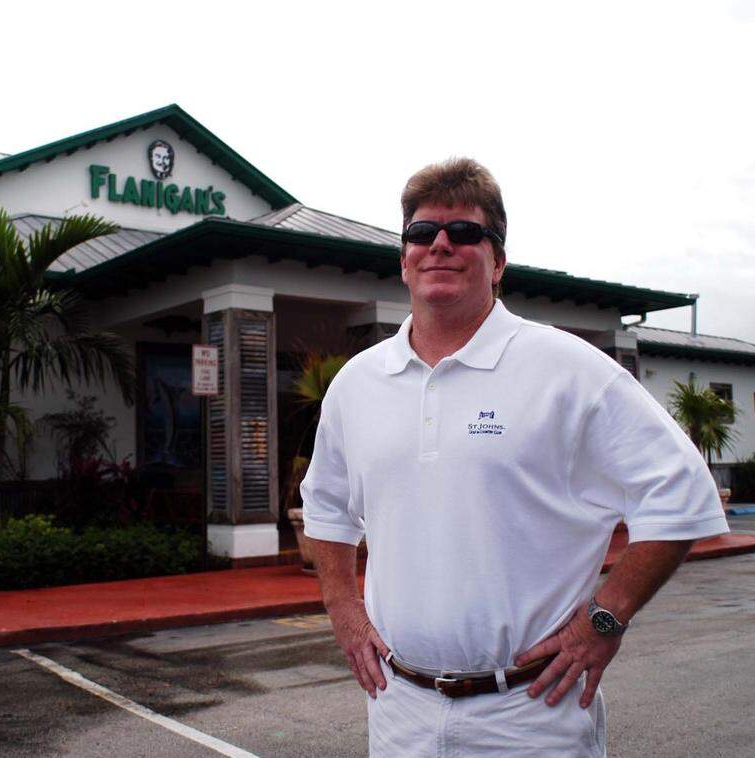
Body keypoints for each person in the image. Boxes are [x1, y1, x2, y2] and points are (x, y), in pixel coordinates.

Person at [301, 157, 730, 756]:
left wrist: (605, 618)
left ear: (498, 261)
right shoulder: (358, 383)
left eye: (465, 232)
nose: (440, 245)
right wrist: (344, 611)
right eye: (422, 233)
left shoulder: (567, 370)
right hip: (399, 711)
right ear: (403, 260)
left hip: (530, 715)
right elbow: (324, 506)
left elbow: (682, 491)